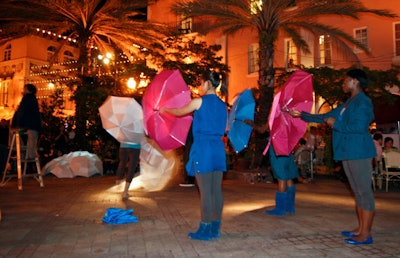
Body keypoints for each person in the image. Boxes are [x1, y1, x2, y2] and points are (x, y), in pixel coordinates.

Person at [291, 68, 376, 245]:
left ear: (355, 81)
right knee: (357, 193)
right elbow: (325, 117)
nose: (343, 83)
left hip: (359, 151)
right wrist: (302, 115)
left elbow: (359, 128)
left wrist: (336, 124)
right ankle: (361, 228)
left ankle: (366, 234)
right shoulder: (348, 103)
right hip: (348, 151)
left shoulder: (363, 102)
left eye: (345, 80)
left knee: (364, 192)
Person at [160, 70, 228, 241]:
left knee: (205, 192)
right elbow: (225, 128)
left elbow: (179, 112)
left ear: (207, 84)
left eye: (201, 83)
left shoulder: (199, 102)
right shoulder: (223, 105)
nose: (200, 86)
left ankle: (204, 229)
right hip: (218, 149)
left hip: (204, 149)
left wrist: (165, 109)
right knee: (216, 191)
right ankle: (215, 228)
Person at [246, 121, 299, 217]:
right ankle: (290, 207)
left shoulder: (275, 113)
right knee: (288, 176)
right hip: (286, 146)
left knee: (281, 177)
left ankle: (280, 209)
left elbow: (262, 130)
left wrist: (252, 124)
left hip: (277, 147)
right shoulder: (287, 113)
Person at [11, 84, 42, 160]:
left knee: (28, 138)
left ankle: (21, 152)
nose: (23, 90)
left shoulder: (27, 98)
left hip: (27, 124)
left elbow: (22, 111)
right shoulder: (33, 99)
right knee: (32, 139)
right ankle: (28, 153)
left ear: (28, 90)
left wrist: (17, 122)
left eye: (25, 88)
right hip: (32, 124)